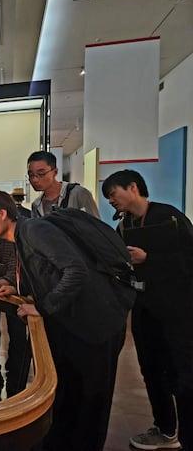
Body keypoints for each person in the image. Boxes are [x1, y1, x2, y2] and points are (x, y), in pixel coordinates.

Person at [0, 190, 131, 451]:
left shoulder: (34, 230)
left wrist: (41, 307)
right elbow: (45, 273)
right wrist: (14, 288)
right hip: (74, 324)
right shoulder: (23, 236)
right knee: (70, 395)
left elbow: (76, 271)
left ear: (2, 214)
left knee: (90, 403)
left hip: (95, 325)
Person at [102, 169, 193, 451]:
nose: (111, 201)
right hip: (143, 310)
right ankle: (165, 429)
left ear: (133, 187)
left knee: (182, 372)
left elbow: (188, 260)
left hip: (178, 311)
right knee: (151, 370)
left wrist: (148, 258)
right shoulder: (123, 226)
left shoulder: (170, 217)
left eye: (113, 194)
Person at [27, 150, 99, 218]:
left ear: (55, 172)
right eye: (31, 175)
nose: (34, 180)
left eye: (41, 173)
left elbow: (96, 224)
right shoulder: (36, 205)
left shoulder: (78, 194)